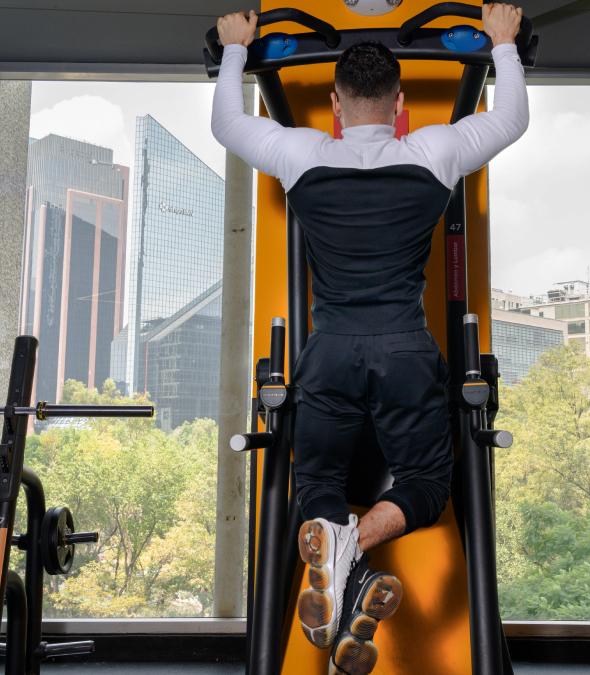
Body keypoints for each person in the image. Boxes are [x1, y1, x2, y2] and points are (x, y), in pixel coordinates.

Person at [212, 5, 528, 673]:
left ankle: (337, 537)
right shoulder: (432, 151)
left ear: (334, 103)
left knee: (316, 478)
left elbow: (227, 124)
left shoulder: (302, 154)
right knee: (425, 480)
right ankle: (351, 545)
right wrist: (502, 43)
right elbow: (511, 119)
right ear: (400, 102)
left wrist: (236, 49)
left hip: (329, 349)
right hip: (404, 349)